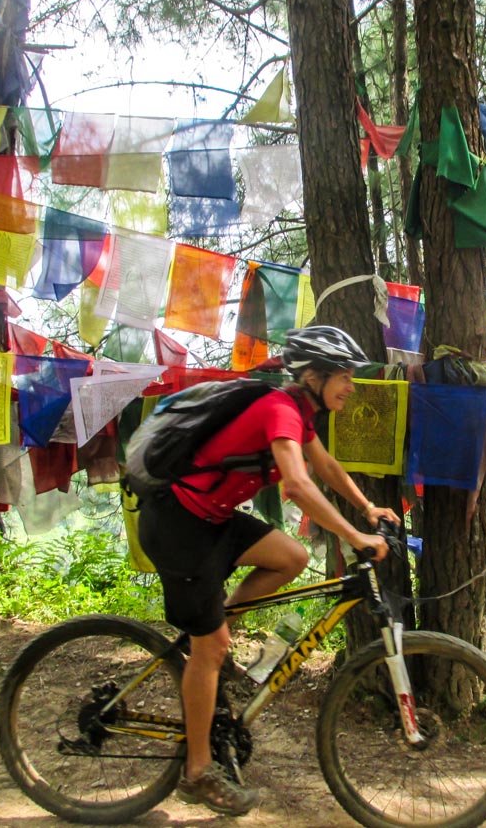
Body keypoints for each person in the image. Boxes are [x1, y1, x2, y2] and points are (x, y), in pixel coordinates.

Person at [136, 325, 395, 817]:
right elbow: (297, 485)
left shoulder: (301, 414)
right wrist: (355, 537)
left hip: (211, 519)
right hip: (177, 524)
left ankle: (215, 638)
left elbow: (325, 467)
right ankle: (197, 772)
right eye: (342, 376)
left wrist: (367, 509)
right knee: (208, 651)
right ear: (313, 376)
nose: (351, 385)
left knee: (291, 557)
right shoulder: (279, 409)